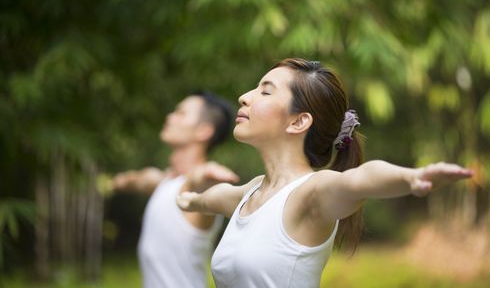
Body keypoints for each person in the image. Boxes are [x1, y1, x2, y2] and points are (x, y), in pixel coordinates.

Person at [177, 58, 474, 288]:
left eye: (265, 91)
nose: (244, 96)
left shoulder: (311, 193)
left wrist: (411, 177)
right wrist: (190, 200)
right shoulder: (253, 192)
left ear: (298, 122)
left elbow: (360, 180)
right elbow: (217, 198)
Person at [112, 91, 239, 288]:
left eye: (181, 113)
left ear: (203, 131)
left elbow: (200, 182)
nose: (170, 117)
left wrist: (208, 174)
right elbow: (141, 179)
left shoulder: (196, 189)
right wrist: (120, 181)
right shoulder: (165, 182)